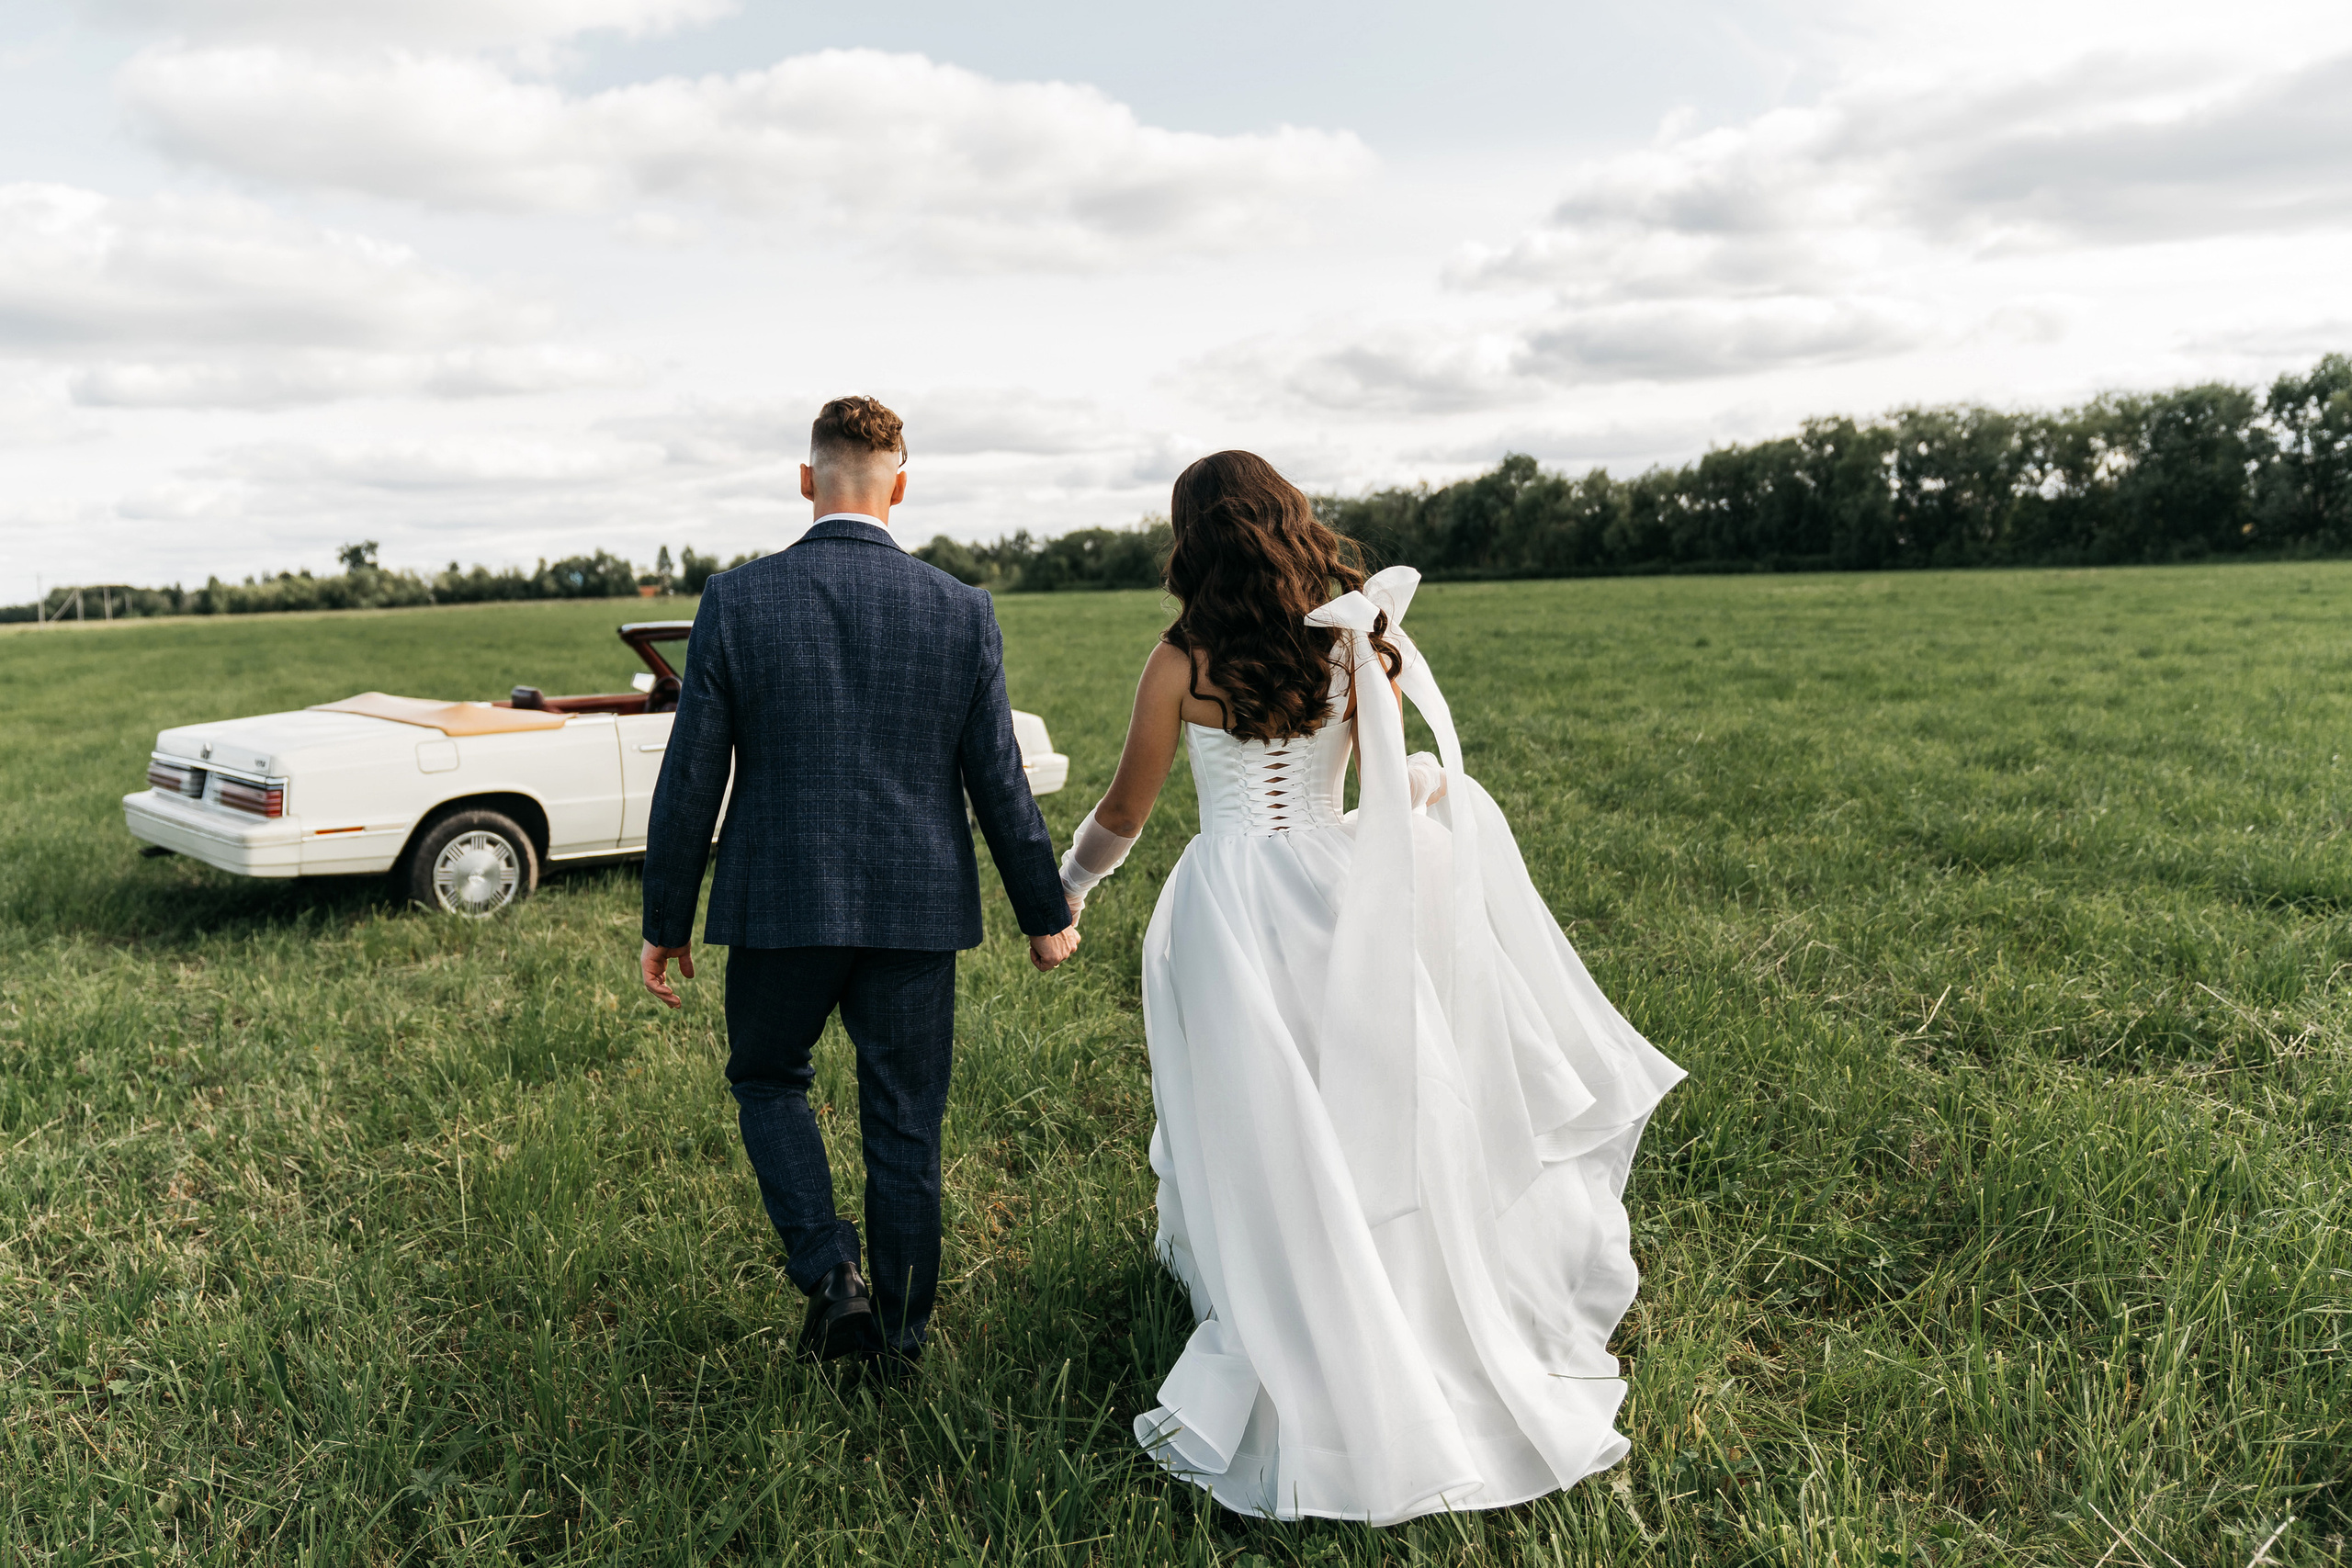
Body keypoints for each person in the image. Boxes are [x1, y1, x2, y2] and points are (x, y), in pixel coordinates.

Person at [1057, 450, 1685, 1525]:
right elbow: (1390, 778)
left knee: (1259, 1115)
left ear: (1190, 541)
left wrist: (1067, 891)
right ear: (1290, 525)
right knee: (1360, 1097)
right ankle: (1386, 1280)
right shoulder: (1353, 644)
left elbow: (1124, 810)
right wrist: (1430, 788)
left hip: (1232, 906)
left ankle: (1289, 1295)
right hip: (1340, 894)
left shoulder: (1178, 664)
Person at [638, 395, 1079, 1378]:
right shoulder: (961, 609)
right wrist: (1043, 914)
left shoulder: (737, 601)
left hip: (778, 902)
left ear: (807, 480)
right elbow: (996, 776)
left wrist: (664, 921)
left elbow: (691, 775)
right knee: (905, 1124)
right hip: (916, 908)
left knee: (765, 1078)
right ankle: (901, 1345)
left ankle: (832, 1273)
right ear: (900, 487)